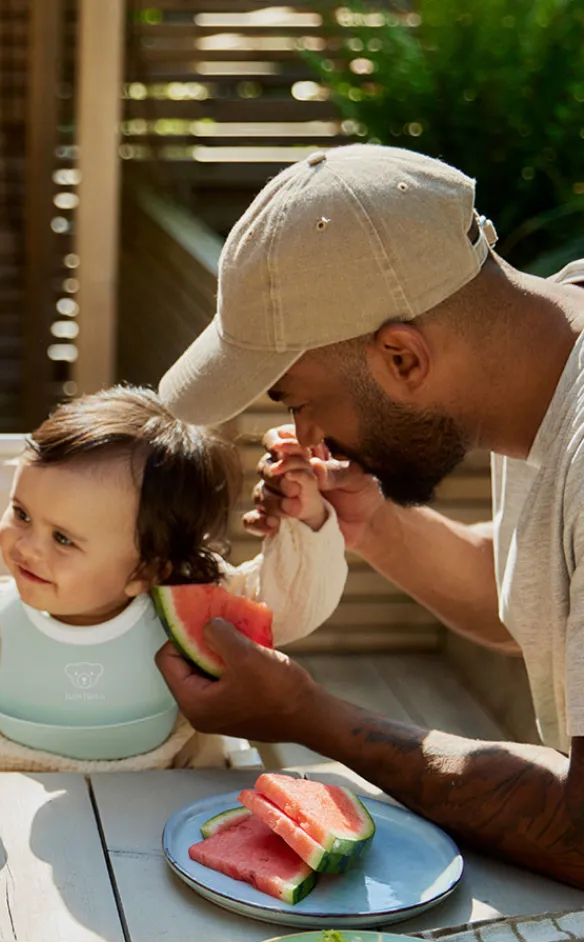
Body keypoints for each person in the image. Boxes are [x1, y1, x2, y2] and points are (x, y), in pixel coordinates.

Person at [155, 142, 584, 887]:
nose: (307, 436)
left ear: (402, 359)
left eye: (299, 400)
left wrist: (309, 718)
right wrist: (374, 523)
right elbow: (533, 587)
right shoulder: (546, 350)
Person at [0, 386, 348, 769]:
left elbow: (289, 606)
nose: (25, 546)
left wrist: (305, 522)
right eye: (21, 513)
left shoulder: (191, 611)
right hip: (5, 817)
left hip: (156, 825)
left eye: (63, 539)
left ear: (147, 569)